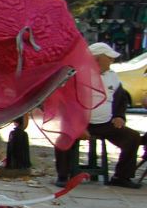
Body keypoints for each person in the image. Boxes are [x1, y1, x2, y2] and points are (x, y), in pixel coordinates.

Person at [54, 42, 142, 188]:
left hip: (105, 123)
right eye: (109, 58)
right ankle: (63, 175)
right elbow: (68, 103)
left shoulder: (112, 76)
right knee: (64, 138)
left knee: (132, 138)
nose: (112, 61)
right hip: (80, 122)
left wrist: (119, 116)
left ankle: (121, 176)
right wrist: (79, 125)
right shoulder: (77, 75)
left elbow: (120, 100)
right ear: (97, 59)